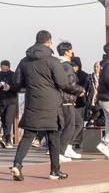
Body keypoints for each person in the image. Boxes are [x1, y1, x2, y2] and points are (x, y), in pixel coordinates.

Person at [10, 30, 71, 181]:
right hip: (51, 104)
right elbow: (63, 83)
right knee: (53, 136)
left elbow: (16, 83)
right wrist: (78, 90)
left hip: (33, 102)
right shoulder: (53, 61)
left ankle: (17, 165)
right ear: (49, 42)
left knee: (28, 136)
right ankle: (54, 171)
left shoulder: (24, 61)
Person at [55, 41, 86, 163]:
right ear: (67, 52)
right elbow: (69, 84)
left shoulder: (59, 64)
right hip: (66, 99)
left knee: (78, 123)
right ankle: (59, 152)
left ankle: (68, 147)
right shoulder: (66, 66)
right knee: (69, 126)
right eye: (71, 50)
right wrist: (80, 90)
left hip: (67, 99)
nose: (72, 52)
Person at [0, 60, 19, 148]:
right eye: (2, 67)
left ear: (9, 67)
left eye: (6, 66)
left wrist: (10, 88)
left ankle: (6, 139)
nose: (4, 68)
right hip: (1, 101)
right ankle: (7, 140)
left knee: (8, 120)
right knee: (3, 120)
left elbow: (18, 87)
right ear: (0, 67)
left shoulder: (14, 75)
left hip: (11, 101)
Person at [69, 55, 90, 154]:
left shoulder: (84, 75)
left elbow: (84, 88)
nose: (74, 67)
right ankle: (70, 141)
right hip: (69, 101)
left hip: (80, 102)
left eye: (76, 66)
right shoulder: (69, 74)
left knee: (79, 123)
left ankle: (77, 141)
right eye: (73, 65)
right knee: (71, 123)